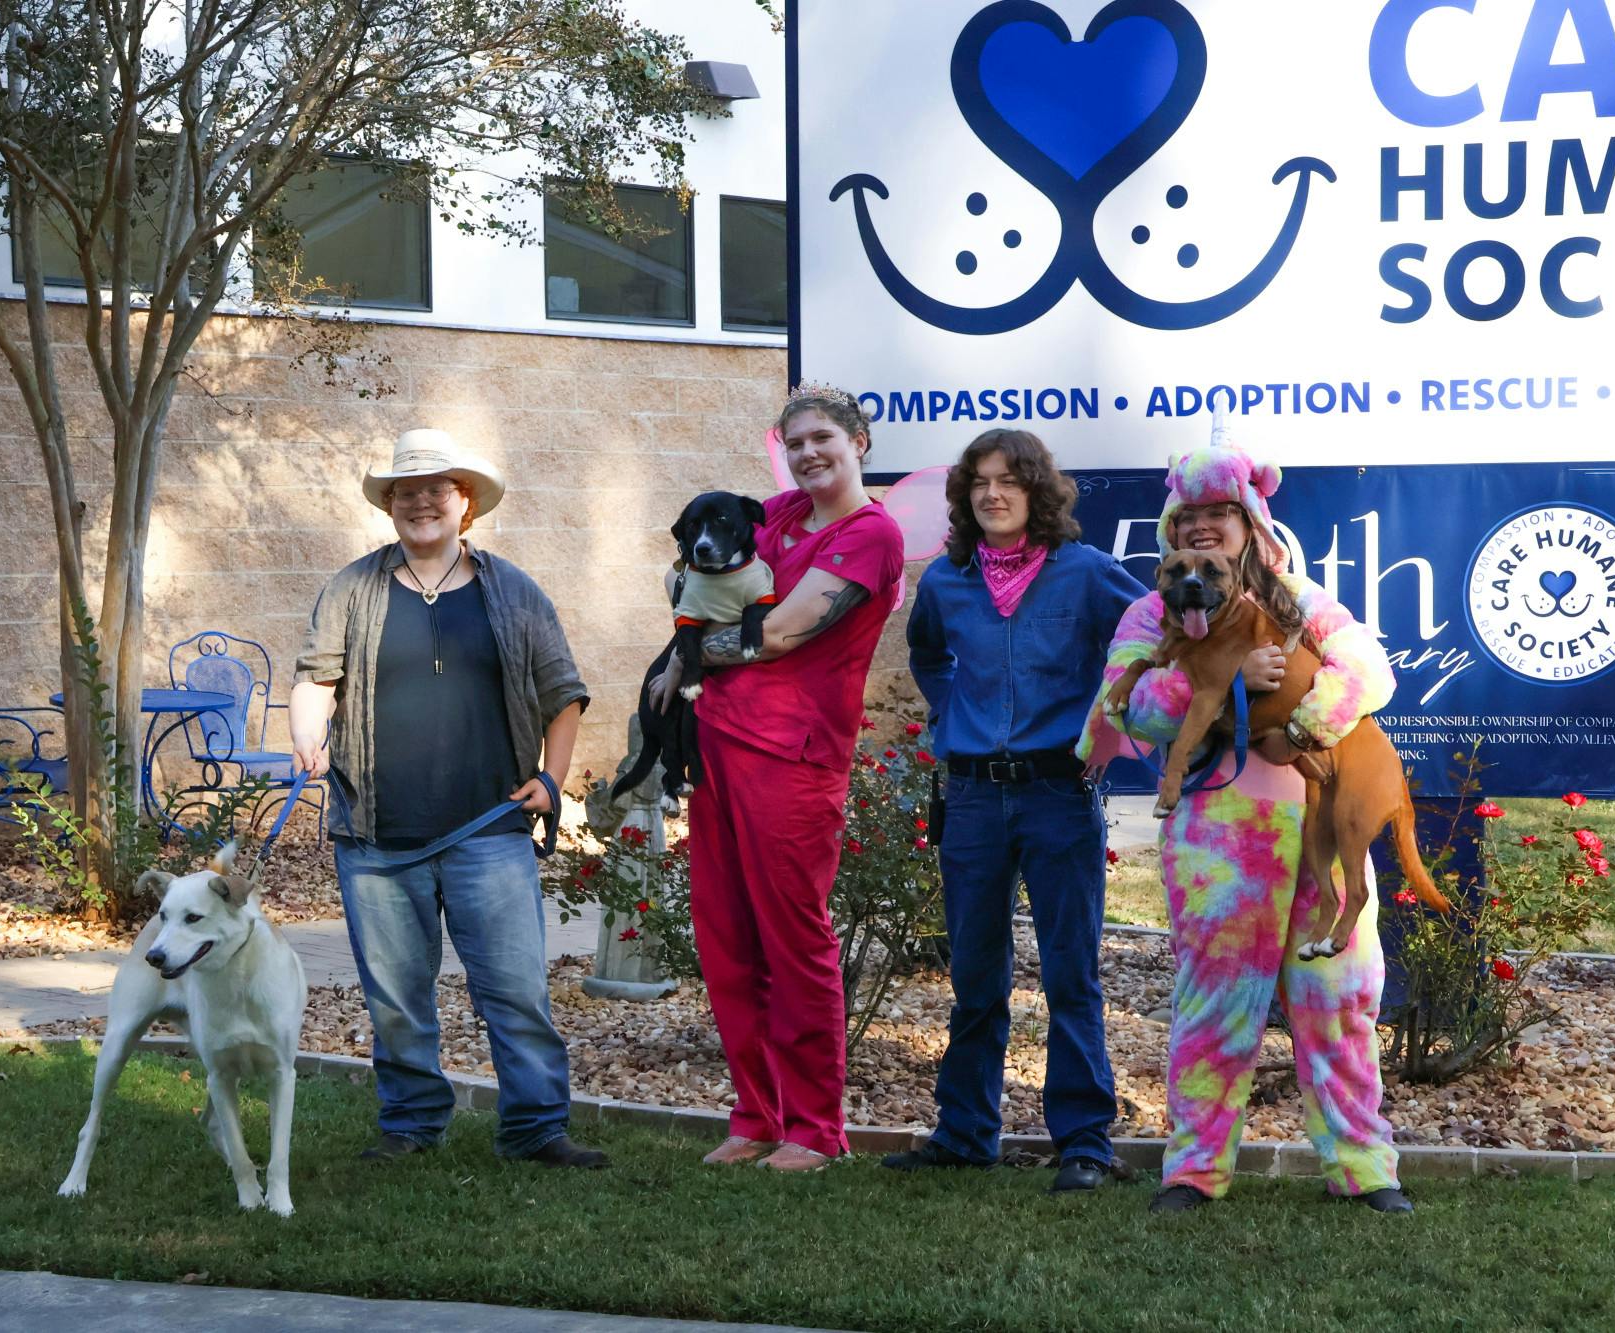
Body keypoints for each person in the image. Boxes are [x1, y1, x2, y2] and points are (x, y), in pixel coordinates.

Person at [1078, 430, 1414, 1213]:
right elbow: (1120, 704)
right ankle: (1194, 1171)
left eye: (1218, 512)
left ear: (1249, 522)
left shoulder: (1301, 599)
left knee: (1338, 1000)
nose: (1201, 525)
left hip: (1318, 827)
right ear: (1169, 532)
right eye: (1186, 516)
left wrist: (1303, 722)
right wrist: (1228, 684)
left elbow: (1370, 671)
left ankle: (1364, 1166)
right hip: (1218, 838)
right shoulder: (1149, 614)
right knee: (1214, 1006)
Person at [289, 427, 608, 1169]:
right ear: (391, 506)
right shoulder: (352, 587)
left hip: (488, 828)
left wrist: (552, 781)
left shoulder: (514, 590)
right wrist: (309, 735)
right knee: (397, 999)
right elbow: (315, 677)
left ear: (465, 504)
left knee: (517, 993)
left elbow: (565, 694)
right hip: (378, 836)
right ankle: (411, 1125)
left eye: (439, 489)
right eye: (407, 492)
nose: (422, 502)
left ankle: (535, 1129)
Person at [653, 385, 906, 1172]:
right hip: (715, 749)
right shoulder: (779, 514)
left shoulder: (870, 533)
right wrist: (686, 631)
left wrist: (688, 653)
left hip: (791, 760)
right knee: (726, 939)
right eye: (794, 443)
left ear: (859, 441)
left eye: (823, 438)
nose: (808, 455)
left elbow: (784, 633)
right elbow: (685, 571)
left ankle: (814, 1128)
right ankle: (755, 1114)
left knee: (793, 941)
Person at [890, 429, 1148, 1192]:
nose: (993, 493)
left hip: (1056, 794)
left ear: (1038, 491)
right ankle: (966, 1132)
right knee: (974, 971)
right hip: (970, 796)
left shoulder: (1085, 573)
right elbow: (928, 654)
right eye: (979, 483)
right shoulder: (947, 579)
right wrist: (952, 712)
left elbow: (1144, 642)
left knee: (1072, 971)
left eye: (1009, 480)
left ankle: (1084, 1142)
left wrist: (1109, 723)